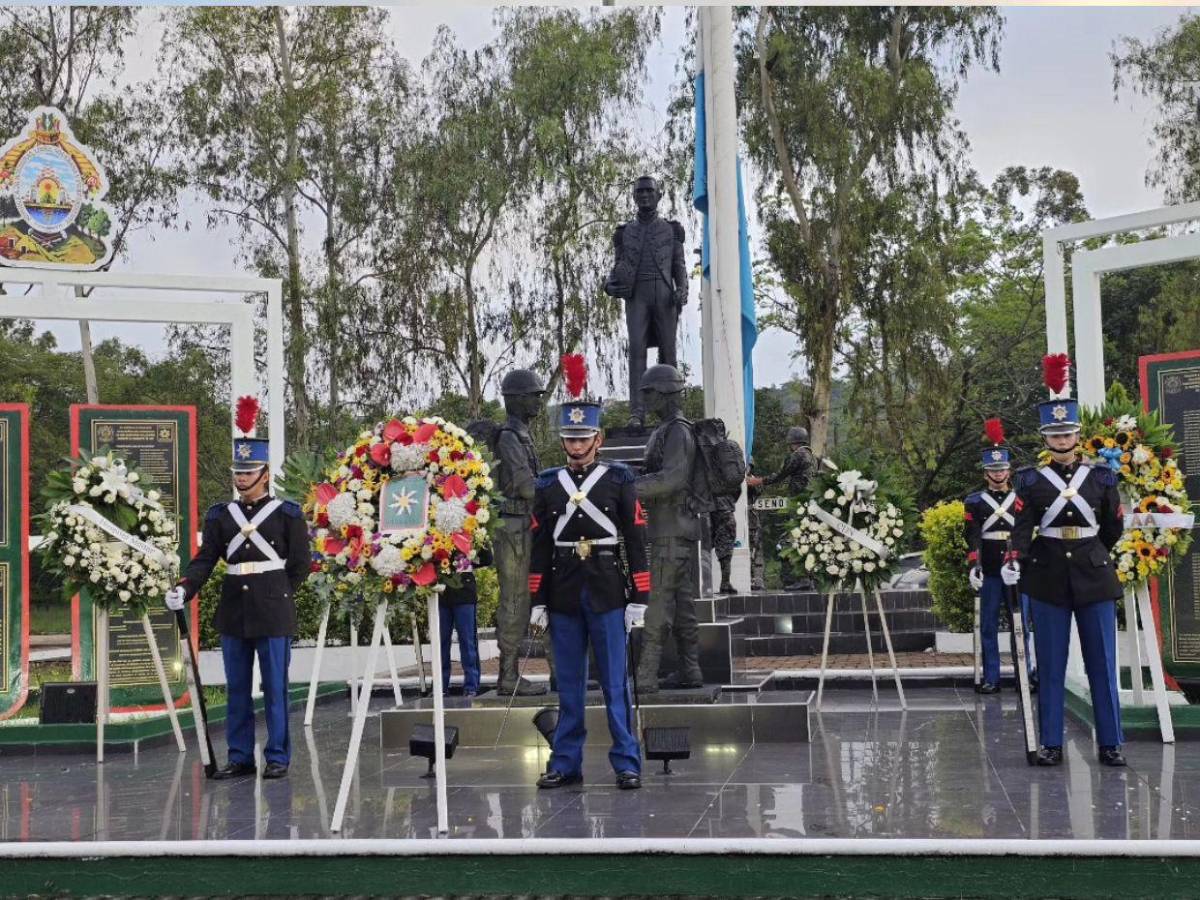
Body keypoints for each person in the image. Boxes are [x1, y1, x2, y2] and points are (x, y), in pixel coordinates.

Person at [165, 400, 310, 780]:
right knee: (237, 690)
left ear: (265, 473)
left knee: (276, 689)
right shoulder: (219, 515)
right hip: (234, 609)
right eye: (237, 471)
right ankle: (241, 756)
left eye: (249, 471)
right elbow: (206, 558)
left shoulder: (288, 513)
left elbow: (300, 565)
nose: (241, 478)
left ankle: (277, 755)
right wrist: (186, 587)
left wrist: (279, 592)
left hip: (274, 610)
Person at [1004, 357, 1126, 767]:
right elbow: (1022, 526)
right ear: (1045, 437)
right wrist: (1013, 557)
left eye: (1067, 432)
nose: (1061, 440)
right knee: (1051, 666)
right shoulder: (1030, 480)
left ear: (1078, 434)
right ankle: (1051, 743)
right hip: (1048, 576)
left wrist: (1095, 554)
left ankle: (1111, 742)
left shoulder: (1103, 478)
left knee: (1102, 666)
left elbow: (1112, 528)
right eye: (1054, 434)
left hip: (1094, 575)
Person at [528, 385, 650, 790]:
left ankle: (626, 761)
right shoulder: (547, 484)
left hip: (608, 587)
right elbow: (540, 545)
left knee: (616, 681)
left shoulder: (618, 479)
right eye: (570, 438)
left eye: (583, 437)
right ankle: (565, 761)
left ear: (597, 439)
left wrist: (640, 598)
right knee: (568, 682)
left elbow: (635, 540)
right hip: (563, 589)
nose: (576, 444)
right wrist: (537, 599)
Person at [634, 363, 705, 691]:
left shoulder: (677, 430)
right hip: (676, 528)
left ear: (664, 394)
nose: (646, 401)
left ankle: (646, 674)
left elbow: (674, 478)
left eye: (649, 394)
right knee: (682, 604)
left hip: (671, 530)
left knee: (660, 602)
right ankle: (691, 671)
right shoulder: (668, 429)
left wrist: (627, 489)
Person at [603, 175, 688, 429]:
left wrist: (682, 287)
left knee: (668, 352)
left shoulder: (671, 229)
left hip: (663, 294)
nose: (644, 196)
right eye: (640, 192)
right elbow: (617, 266)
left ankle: (673, 410)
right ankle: (636, 413)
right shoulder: (624, 232)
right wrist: (608, 284)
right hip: (637, 295)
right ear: (633, 197)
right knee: (637, 352)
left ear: (659, 195)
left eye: (649, 192)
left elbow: (678, 264)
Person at [492, 368, 554, 696]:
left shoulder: (523, 436)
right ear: (515, 400)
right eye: (533, 396)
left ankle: (558, 672)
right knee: (515, 599)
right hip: (513, 529)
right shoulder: (508, 438)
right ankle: (507, 675)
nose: (538, 402)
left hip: (526, 527)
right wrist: (561, 484)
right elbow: (527, 487)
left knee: (542, 595)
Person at [964, 421, 1036, 694]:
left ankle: (1024, 675)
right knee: (988, 627)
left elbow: (1025, 533)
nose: (998, 473)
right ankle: (991, 677)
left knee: (1022, 626)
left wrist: (1019, 560)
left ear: (1009, 470)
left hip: (1016, 569)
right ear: (986, 473)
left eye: (1002, 468)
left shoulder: (1020, 499)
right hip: (991, 569)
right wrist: (974, 565)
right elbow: (971, 536)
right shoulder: (974, 501)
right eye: (993, 470)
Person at [747, 425, 815, 590]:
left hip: (799, 503)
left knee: (794, 540)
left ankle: (801, 579)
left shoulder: (798, 455)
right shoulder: (811, 456)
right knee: (804, 539)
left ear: (792, 442)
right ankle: (807, 578)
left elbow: (781, 474)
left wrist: (759, 481)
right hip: (808, 503)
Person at [439, 546, 492, 697]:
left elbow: (487, 558)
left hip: (464, 591)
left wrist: (466, 561)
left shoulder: (471, 528)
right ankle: (440, 687)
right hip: (440, 591)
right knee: (440, 643)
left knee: (467, 641)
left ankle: (471, 686)